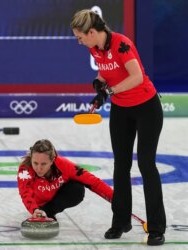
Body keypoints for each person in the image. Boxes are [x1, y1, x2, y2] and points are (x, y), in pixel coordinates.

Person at [70, 9, 166, 246]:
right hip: (121, 110)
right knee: (120, 166)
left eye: (80, 37)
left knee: (146, 164)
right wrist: (100, 87)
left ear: (92, 32)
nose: (79, 42)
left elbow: (136, 77)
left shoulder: (122, 44)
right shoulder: (96, 48)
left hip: (146, 108)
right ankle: (120, 221)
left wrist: (110, 91)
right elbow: (107, 71)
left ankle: (156, 228)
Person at [17, 139, 113, 222]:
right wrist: (34, 210)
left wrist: (119, 202)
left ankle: (48, 211)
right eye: (35, 163)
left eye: (43, 164)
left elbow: (94, 182)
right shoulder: (25, 170)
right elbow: (25, 192)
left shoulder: (64, 165)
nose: (38, 168)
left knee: (77, 189)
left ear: (52, 160)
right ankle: (42, 212)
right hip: (36, 204)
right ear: (31, 158)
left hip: (53, 201)